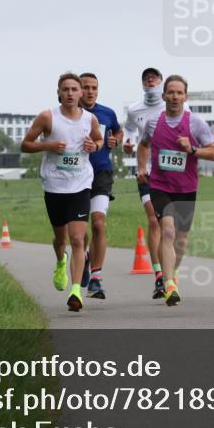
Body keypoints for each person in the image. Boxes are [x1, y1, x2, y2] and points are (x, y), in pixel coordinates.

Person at [21, 72, 103, 313]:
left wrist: (94, 146)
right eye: (65, 89)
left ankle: (76, 291)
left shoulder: (90, 119)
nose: (70, 93)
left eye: (74, 89)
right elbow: (25, 144)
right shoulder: (48, 117)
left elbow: (98, 140)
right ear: (58, 92)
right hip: (54, 185)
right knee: (61, 239)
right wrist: (48, 146)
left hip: (80, 184)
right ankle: (60, 260)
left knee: (78, 238)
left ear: (80, 94)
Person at [137, 75, 214, 307]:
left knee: (181, 240)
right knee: (168, 232)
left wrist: (192, 149)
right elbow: (143, 145)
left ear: (186, 96)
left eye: (179, 93)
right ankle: (169, 283)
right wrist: (142, 167)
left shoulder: (196, 123)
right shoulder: (153, 123)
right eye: (170, 93)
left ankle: (172, 273)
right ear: (163, 96)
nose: (174, 97)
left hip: (186, 187)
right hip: (160, 186)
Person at [123, 67, 167, 299]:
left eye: (154, 77)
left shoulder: (174, 105)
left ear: (161, 81)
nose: (150, 80)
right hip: (146, 172)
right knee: (154, 220)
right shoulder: (134, 109)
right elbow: (129, 131)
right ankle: (160, 275)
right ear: (142, 83)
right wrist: (127, 143)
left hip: (170, 172)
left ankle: (170, 270)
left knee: (168, 224)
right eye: (146, 78)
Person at [79, 72, 124, 299]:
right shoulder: (71, 114)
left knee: (98, 223)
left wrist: (116, 139)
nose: (90, 91)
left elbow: (118, 130)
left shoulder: (107, 113)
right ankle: (84, 257)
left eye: (94, 87)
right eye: (85, 87)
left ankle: (96, 277)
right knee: (80, 230)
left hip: (101, 174)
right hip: (75, 177)